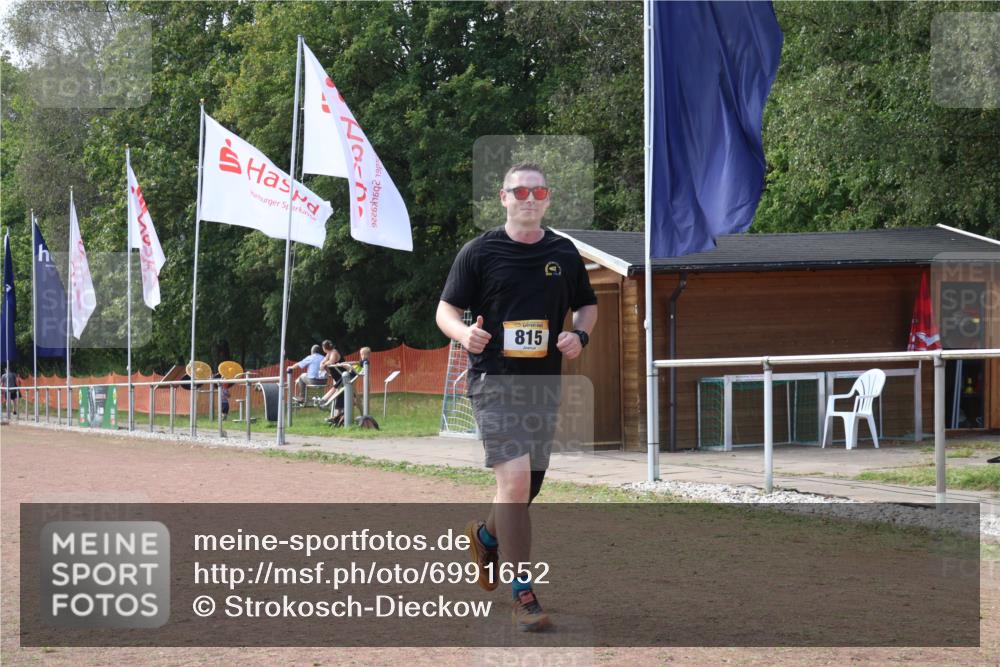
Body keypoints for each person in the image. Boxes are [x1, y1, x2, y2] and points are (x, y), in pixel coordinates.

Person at [435, 162, 597, 632]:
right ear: (503, 198)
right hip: (494, 382)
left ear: (547, 200)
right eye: (519, 191)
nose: (529, 198)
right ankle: (523, 592)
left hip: (543, 386)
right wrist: (465, 334)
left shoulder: (563, 253)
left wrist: (579, 337)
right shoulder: (480, 252)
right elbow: (445, 309)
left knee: (528, 488)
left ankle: (486, 536)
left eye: (538, 191)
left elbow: (587, 304)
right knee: (517, 483)